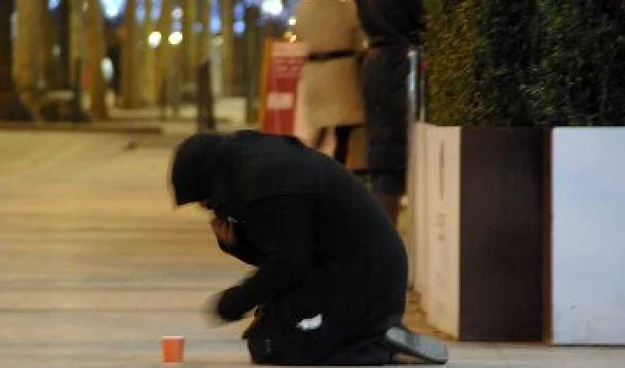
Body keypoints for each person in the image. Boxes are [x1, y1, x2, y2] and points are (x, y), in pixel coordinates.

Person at [170, 130, 448, 365]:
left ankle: (375, 344)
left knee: (272, 346)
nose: (209, 209)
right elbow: (285, 251)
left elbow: (289, 263)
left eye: (205, 201)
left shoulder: (262, 184)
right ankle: (370, 330)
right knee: (267, 330)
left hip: (365, 275)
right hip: (349, 267)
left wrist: (235, 301)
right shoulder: (249, 159)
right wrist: (235, 244)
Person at [354, 0, 425, 226]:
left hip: (377, 62)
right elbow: (419, 16)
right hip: (400, 62)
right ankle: (385, 239)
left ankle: (381, 236)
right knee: (392, 156)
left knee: (384, 155)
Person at [294, 0, 366, 165]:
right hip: (341, 72)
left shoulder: (303, 8)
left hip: (314, 70)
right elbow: (357, 38)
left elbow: (299, 33)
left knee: (318, 127)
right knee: (343, 130)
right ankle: (337, 167)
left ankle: (307, 163)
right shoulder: (346, 8)